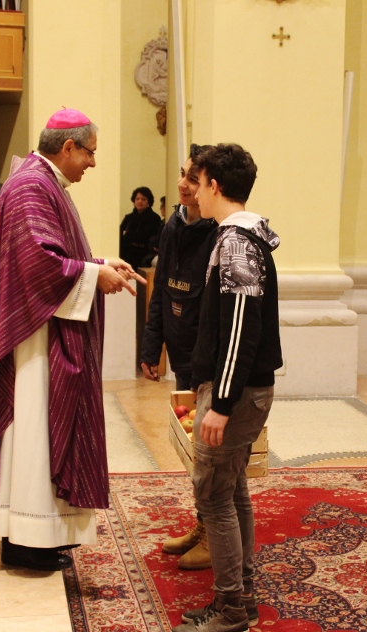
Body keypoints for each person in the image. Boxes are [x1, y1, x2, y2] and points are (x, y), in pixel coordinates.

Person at [0, 108, 146, 572]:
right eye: (90, 153)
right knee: (34, 429)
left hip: (42, 325)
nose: (93, 163)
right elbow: (38, 263)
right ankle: (27, 540)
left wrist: (99, 263)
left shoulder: (42, 181)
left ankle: (37, 537)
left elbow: (56, 253)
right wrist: (93, 275)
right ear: (68, 146)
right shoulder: (31, 185)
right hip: (34, 338)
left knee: (40, 432)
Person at [170, 143, 282, 632]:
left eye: (198, 181)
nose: (192, 189)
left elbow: (241, 327)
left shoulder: (237, 242)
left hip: (235, 392)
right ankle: (242, 598)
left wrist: (220, 403)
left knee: (213, 494)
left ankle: (231, 609)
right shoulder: (237, 237)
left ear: (214, 184)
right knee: (231, 491)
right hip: (239, 388)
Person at [140, 144, 218, 571]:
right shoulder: (172, 225)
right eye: (182, 175)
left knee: (211, 452)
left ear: (210, 185)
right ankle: (202, 523)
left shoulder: (219, 231)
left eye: (192, 178)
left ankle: (214, 534)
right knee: (194, 448)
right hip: (182, 352)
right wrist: (152, 347)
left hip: (209, 358)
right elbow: (161, 291)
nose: (182, 185)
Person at [119, 186, 163, 267]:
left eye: (143, 199)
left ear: (148, 202)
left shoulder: (154, 218)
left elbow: (143, 238)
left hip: (143, 257)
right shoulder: (128, 217)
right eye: (137, 199)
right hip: (125, 255)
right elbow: (120, 236)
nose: (140, 201)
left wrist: (127, 234)